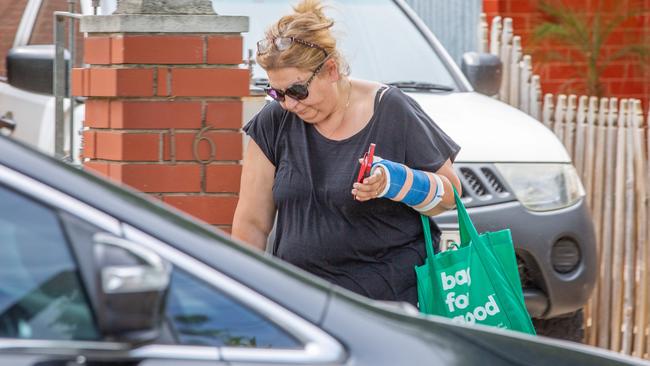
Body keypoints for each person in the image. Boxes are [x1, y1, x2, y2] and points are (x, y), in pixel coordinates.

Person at [232, 0, 462, 307]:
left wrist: (397, 182)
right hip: (302, 305)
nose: (289, 104)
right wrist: (239, 295)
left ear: (331, 69)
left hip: (389, 306)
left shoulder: (392, 109)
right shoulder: (274, 122)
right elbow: (252, 223)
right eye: (277, 93)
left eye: (298, 91)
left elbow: (450, 196)